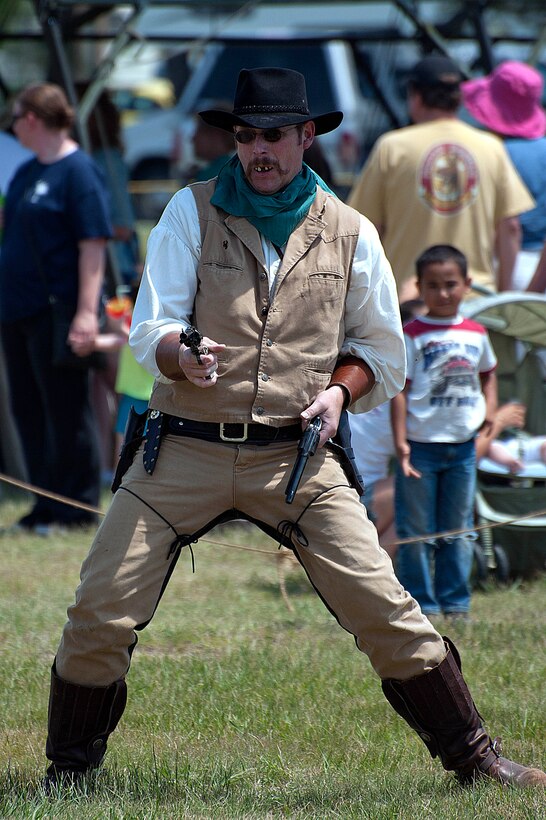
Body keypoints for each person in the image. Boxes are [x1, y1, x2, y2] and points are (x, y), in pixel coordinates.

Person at [43, 68, 545, 791]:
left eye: (273, 134)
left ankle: (476, 759)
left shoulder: (349, 230)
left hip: (297, 454)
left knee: (388, 609)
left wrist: (341, 395)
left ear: (307, 136)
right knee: (99, 609)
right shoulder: (190, 210)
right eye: (245, 135)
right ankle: (68, 773)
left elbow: (381, 352)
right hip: (183, 443)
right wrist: (180, 354)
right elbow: (149, 325)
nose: (257, 150)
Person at [0, 82, 112, 533]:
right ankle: (43, 504)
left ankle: (77, 507)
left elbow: (93, 246)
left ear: (31, 119)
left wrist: (87, 313)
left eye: (14, 117)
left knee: (65, 409)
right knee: (28, 409)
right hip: (17, 311)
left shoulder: (78, 172)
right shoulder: (27, 171)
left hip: (58, 311)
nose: (10, 126)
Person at [348, 54, 535, 302]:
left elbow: (365, 229)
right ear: (458, 99)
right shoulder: (491, 147)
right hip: (475, 299)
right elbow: (510, 228)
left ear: (415, 96)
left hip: (410, 299)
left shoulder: (391, 147)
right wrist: (501, 295)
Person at [391, 244, 498, 619]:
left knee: (459, 529)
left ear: (467, 284)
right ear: (419, 287)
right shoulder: (412, 334)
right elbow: (400, 391)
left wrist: (490, 416)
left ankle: (456, 602)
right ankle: (422, 602)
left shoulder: (476, 333)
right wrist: (401, 442)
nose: (443, 292)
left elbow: (488, 375)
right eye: (433, 285)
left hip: (463, 448)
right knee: (416, 530)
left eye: (451, 284)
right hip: (420, 447)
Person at [349, 299, 426, 557]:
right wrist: (498, 424)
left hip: (353, 495)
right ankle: (370, 574)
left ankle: (368, 569)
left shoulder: (377, 370)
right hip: (355, 500)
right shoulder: (405, 395)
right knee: (420, 486)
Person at [461, 61, 546, 292]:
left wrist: (504, 292)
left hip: (505, 265)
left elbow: (510, 227)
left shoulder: (489, 152)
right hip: (541, 267)